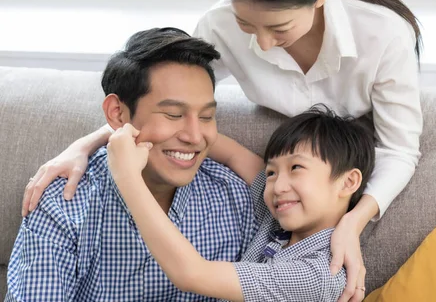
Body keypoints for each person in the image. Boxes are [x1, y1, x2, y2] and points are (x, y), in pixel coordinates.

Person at [22, 0, 423, 301]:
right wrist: (91, 142)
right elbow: (176, 100)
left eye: (278, 28)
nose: (262, 44)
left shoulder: (318, 270)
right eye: (248, 26)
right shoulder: (272, 213)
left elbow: (400, 149)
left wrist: (353, 224)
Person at [6, 28, 258, 302]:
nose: (196, 137)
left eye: (208, 116)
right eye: (173, 114)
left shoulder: (235, 198)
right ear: (117, 113)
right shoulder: (64, 203)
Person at [107, 105, 375, 301]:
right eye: (271, 172)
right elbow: (231, 153)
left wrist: (128, 176)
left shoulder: (318, 274)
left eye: (296, 168)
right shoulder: (278, 218)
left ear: (348, 182)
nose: (278, 186)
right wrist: (135, 132)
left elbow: (191, 274)